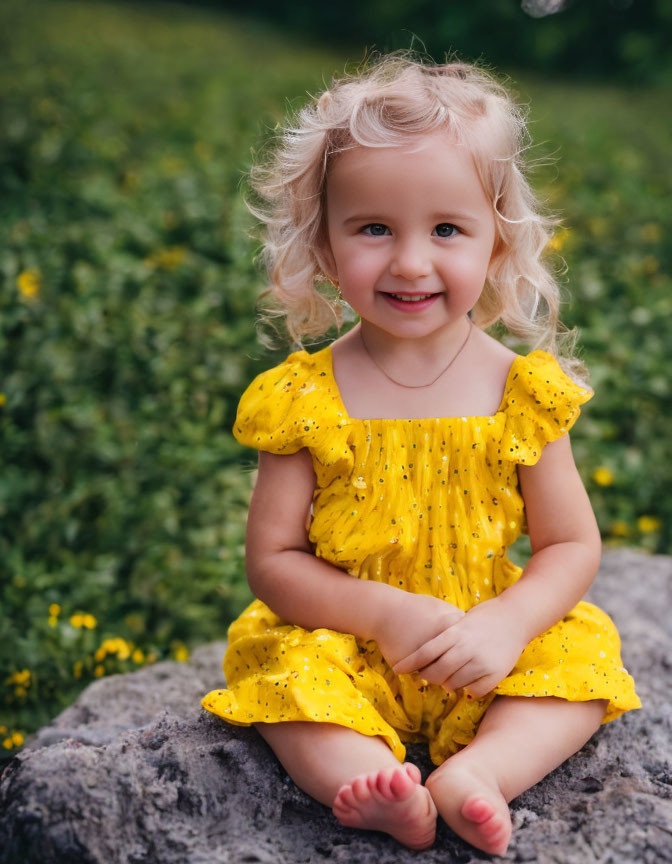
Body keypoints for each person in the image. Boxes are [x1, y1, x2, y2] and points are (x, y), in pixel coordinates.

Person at [202, 55, 641, 857]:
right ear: (325, 246)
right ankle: (372, 782)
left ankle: (480, 773)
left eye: (446, 229)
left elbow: (571, 545)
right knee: (283, 676)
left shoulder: (522, 391)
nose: (410, 261)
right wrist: (382, 613)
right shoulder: (304, 397)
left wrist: (508, 626)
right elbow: (273, 561)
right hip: (350, 638)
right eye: (373, 228)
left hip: (485, 642)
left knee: (581, 661)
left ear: (497, 241)